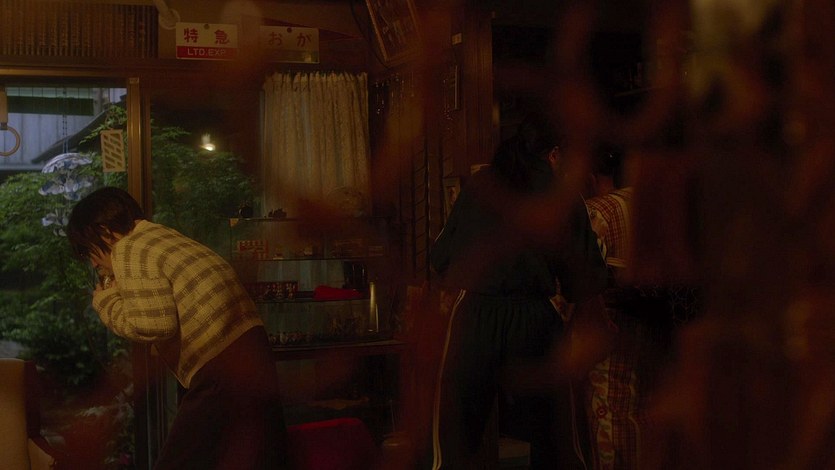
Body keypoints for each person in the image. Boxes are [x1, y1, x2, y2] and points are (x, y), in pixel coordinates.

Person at [428, 111, 611, 469]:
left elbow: (442, 258)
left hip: (473, 316)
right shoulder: (561, 195)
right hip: (533, 318)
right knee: (559, 440)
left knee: (453, 440)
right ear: (555, 154)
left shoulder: (481, 185)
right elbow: (583, 280)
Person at [66, 187, 288, 470]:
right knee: (259, 457)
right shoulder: (161, 236)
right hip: (252, 350)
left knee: (179, 461)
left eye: (88, 250)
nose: (93, 261)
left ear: (104, 231)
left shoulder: (128, 248)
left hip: (219, 367)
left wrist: (106, 301)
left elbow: (155, 324)